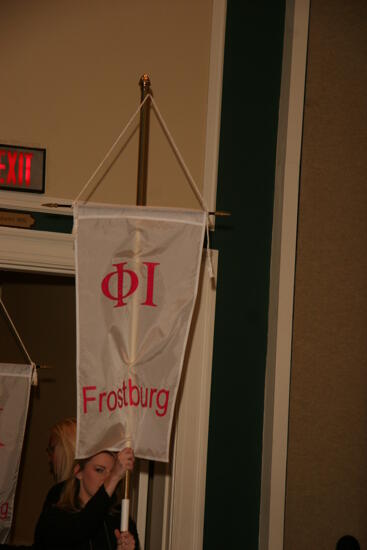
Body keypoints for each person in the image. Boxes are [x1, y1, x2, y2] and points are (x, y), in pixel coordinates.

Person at [34, 448, 139, 550]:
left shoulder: (120, 518)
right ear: (79, 472)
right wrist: (114, 477)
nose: (107, 478)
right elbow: (81, 527)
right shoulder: (57, 515)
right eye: (99, 470)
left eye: (111, 472)